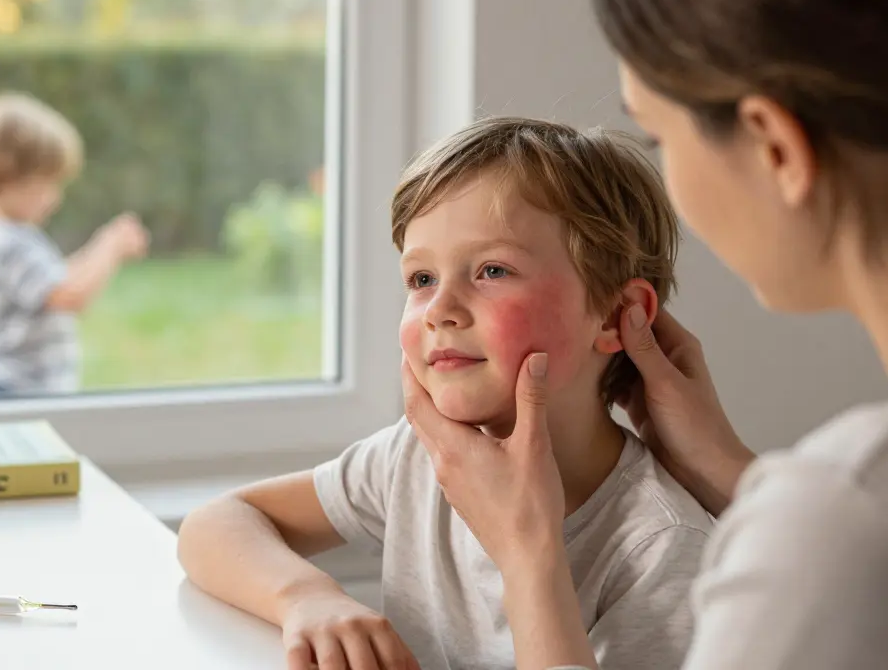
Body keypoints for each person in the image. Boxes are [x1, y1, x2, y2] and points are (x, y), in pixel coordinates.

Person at [401, 0, 888, 668]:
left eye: (658, 137)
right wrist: (729, 473)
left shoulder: (850, 528)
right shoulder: (863, 511)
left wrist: (527, 552)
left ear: (774, 147)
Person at [178, 117, 714, 670]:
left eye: (492, 270)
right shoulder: (417, 458)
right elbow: (216, 523)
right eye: (422, 280)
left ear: (615, 316)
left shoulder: (662, 549)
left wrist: (529, 554)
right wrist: (306, 597)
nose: (440, 311)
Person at [0, 91, 148, 399]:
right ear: (7, 176)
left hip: (7, 383)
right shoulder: (6, 242)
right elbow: (70, 295)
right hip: (16, 390)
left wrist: (95, 252)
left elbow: (53, 279)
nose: (55, 198)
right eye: (46, 183)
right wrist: (109, 247)